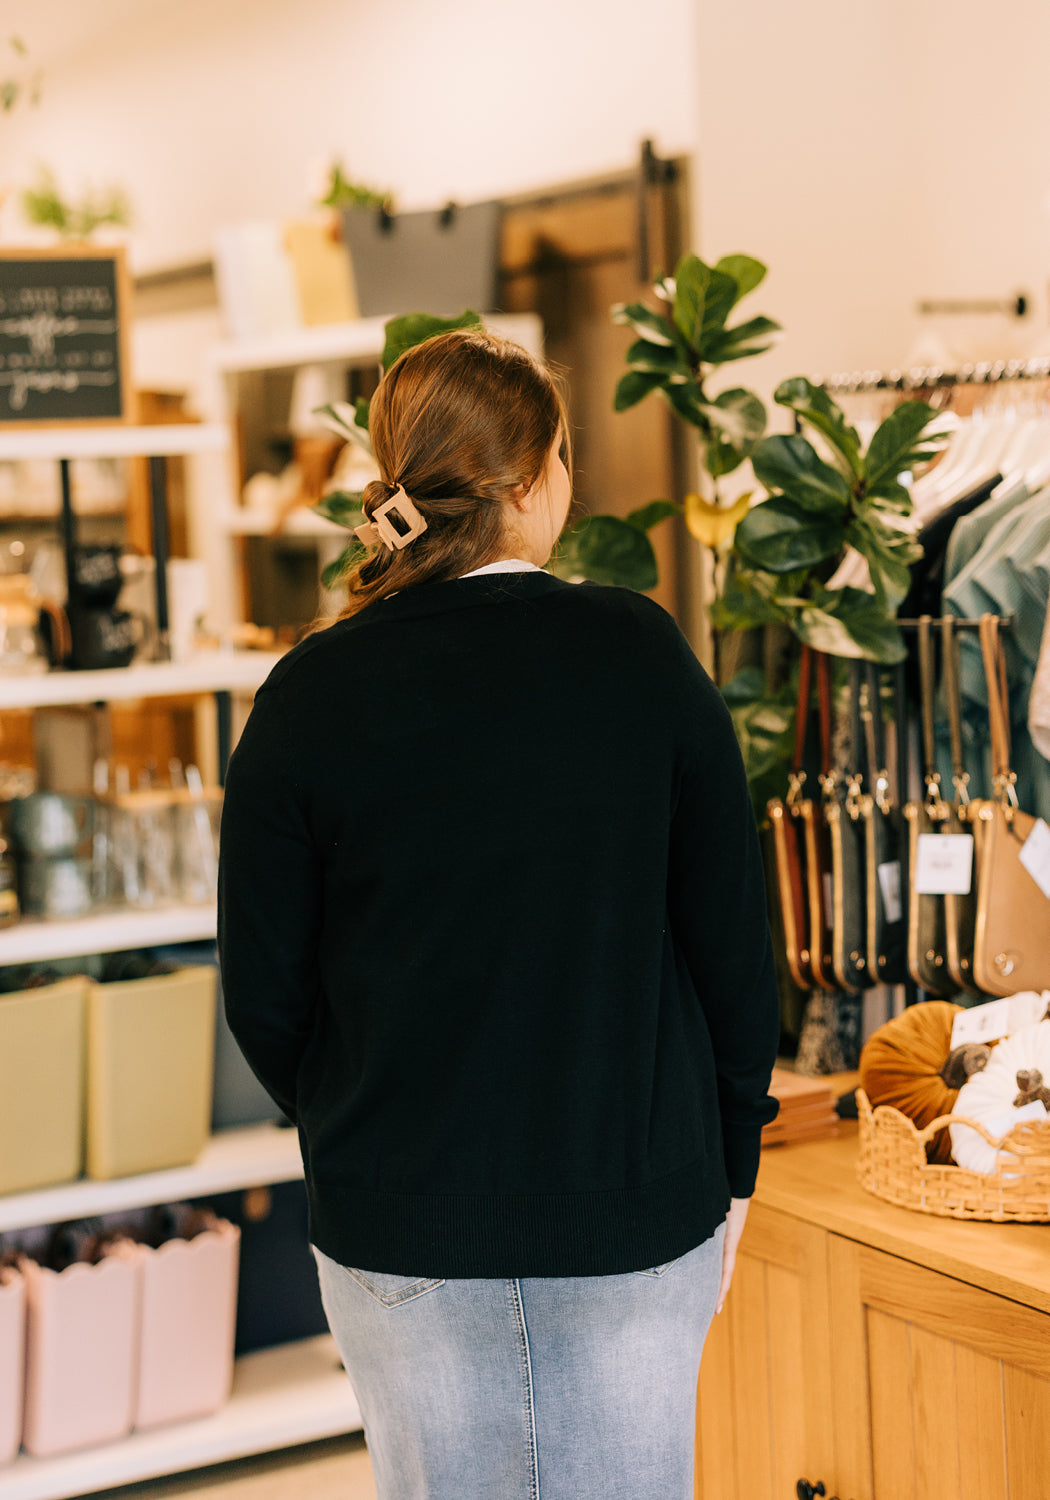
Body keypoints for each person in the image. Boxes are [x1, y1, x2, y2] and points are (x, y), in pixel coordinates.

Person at [218, 328, 780, 1500]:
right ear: (531, 481)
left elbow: (264, 989)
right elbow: (731, 940)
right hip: (635, 1211)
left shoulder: (310, 690)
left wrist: (357, 1118)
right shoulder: (637, 651)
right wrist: (731, 1162)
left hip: (399, 1219)